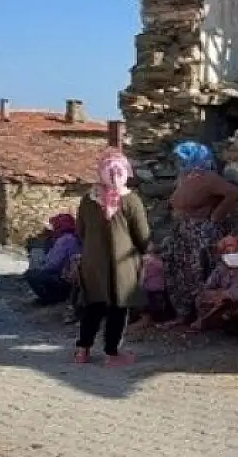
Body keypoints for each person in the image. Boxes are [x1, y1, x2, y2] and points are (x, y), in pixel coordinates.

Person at [74, 149, 151, 367]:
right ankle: (112, 353)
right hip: (122, 263)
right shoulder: (131, 200)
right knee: (118, 305)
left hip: (93, 262)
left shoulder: (88, 200)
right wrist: (147, 251)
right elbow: (142, 234)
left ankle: (82, 349)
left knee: (93, 304)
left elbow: (80, 230)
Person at [160, 140, 238, 329]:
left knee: (199, 273)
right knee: (179, 272)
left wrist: (215, 217)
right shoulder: (186, 177)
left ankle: (203, 317)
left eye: (183, 158)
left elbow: (233, 193)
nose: (179, 162)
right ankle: (183, 313)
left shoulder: (209, 178)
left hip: (201, 233)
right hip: (183, 232)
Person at [25, 213, 82, 306]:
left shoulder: (64, 240)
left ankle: (51, 299)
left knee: (32, 275)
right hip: (73, 282)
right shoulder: (74, 238)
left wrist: (38, 265)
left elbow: (52, 265)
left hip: (65, 281)